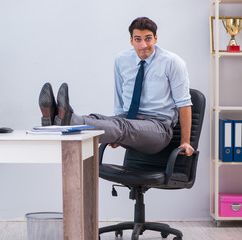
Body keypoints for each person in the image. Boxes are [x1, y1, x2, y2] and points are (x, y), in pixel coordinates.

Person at [38, 17, 194, 157]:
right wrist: (114, 134)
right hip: (129, 121)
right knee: (99, 118)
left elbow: (184, 104)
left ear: (156, 38)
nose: (143, 45)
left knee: (121, 126)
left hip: (159, 128)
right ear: (131, 40)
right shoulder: (122, 60)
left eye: (148, 39)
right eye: (138, 39)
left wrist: (185, 141)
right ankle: (55, 120)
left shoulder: (173, 62)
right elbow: (120, 101)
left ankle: (67, 120)